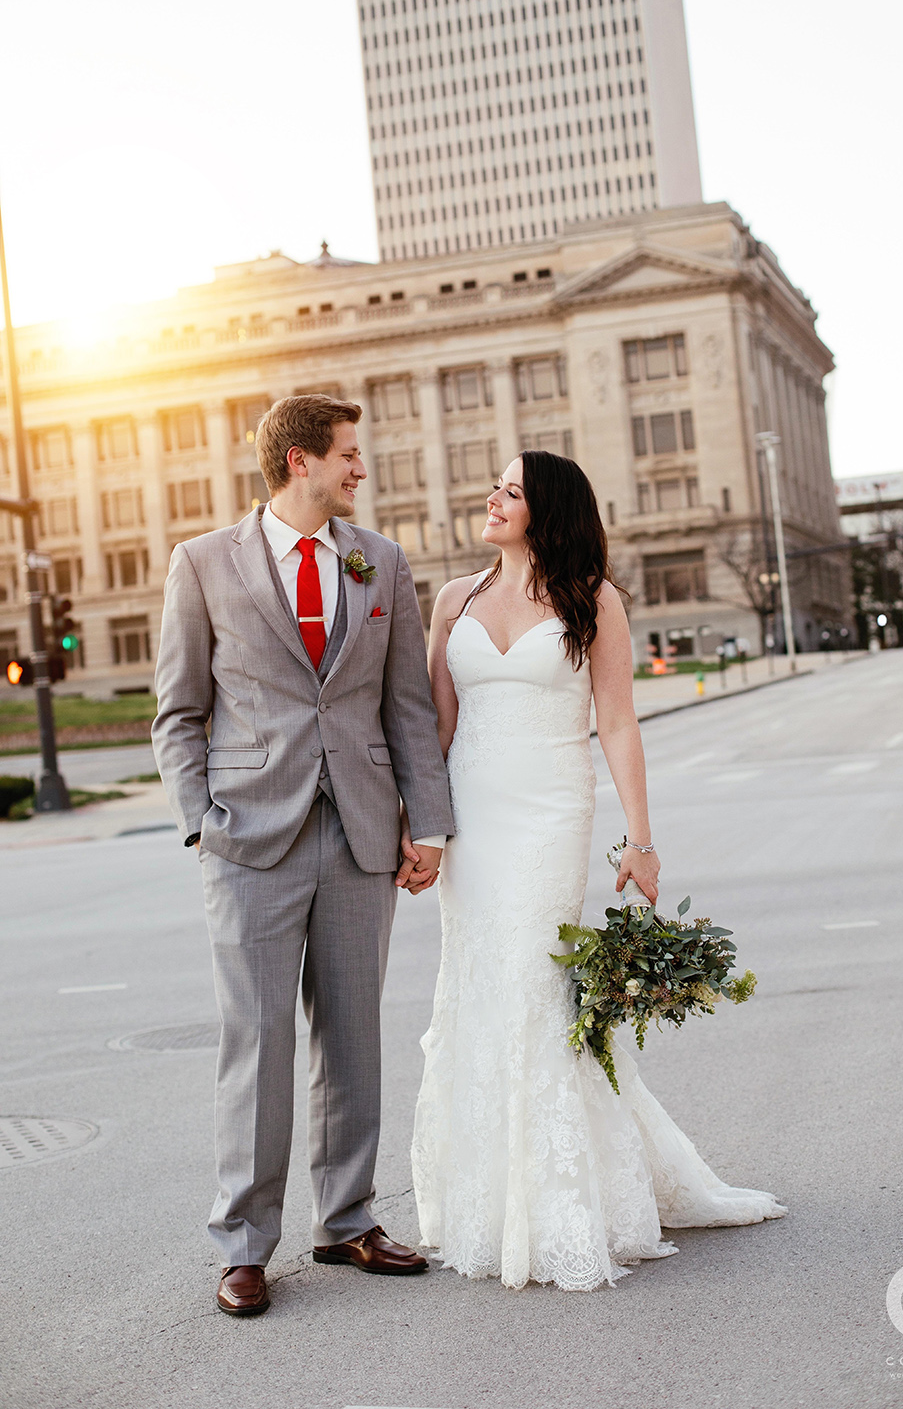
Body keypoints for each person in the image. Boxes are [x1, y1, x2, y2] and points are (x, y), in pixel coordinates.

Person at [411, 450, 786, 1291]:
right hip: (472, 822)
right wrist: (420, 829)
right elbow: (434, 729)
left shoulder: (593, 601)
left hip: (549, 812)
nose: (492, 496)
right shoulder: (452, 599)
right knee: (479, 988)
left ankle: (564, 1203)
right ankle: (489, 1201)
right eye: (495, 484)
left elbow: (617, 723)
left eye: (509, 489)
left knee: (539, 989)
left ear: (547, 510)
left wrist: (639, 839)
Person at [153, 395, 454, 1316]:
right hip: (249, 836)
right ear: (299, 462)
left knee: (353, 1035)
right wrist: (201, 821)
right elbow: (178, 712)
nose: (360, 469)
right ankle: (244, 1243)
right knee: (258, 1040)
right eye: (348, 455)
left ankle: (350, 1220)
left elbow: (406, 705)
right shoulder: (203, 563)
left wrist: (428, 822)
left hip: (362, 831)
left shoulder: (381, 561)